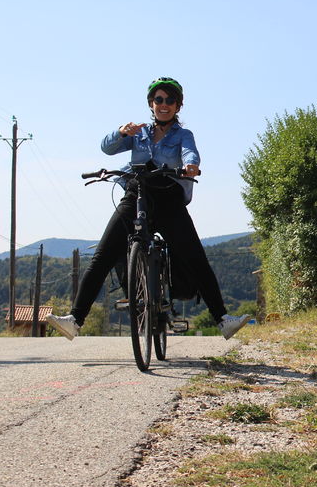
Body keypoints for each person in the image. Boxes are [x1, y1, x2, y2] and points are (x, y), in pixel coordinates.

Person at [47, 77, 250, 341]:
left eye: (170, 100)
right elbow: (107, 148)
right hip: (137, 193)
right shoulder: (138, 132)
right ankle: (75, 320)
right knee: (103, 254)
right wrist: (121, 132)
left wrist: (191, 166)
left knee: (194, 255)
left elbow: (191, 154)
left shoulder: (183, 135)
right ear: (151, 104)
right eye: (159, 100)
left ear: (178, 106)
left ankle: (223, 320)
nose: (163, 105)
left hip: (168, 198)